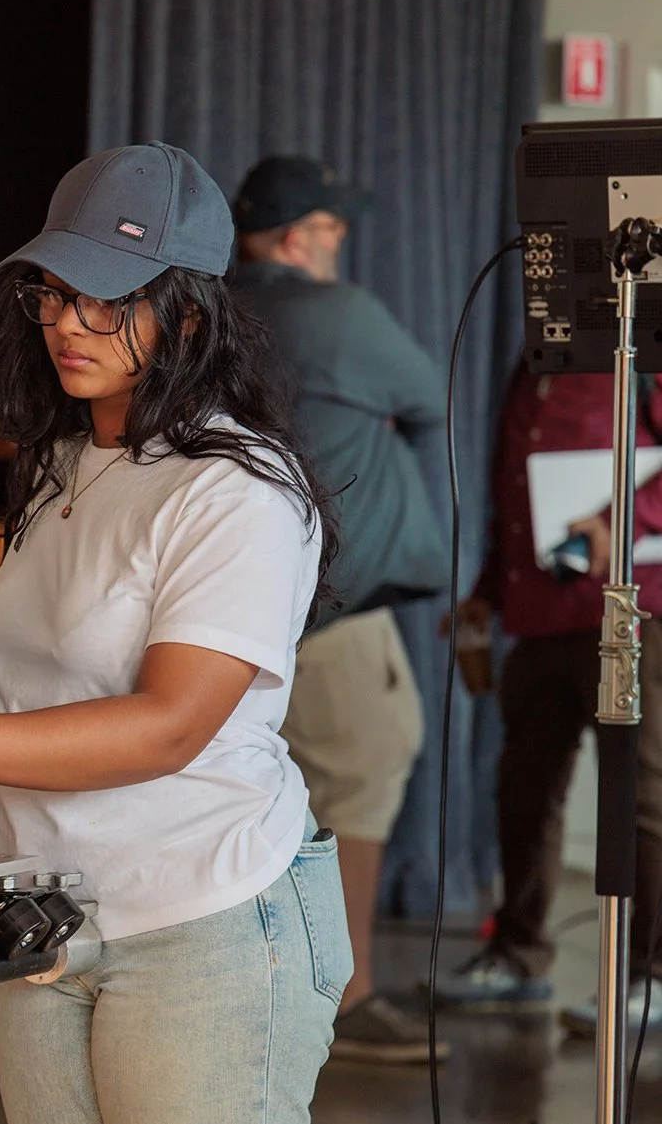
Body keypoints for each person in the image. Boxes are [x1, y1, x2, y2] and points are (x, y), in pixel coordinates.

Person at [0, 143, 350, 1123]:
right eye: (54, 293)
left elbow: (167, 726)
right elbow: (36, 684)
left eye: (104, 298)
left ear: (188, 310)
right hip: (47, 919)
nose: (67, 321)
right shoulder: (64, 462)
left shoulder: (235, 487)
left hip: (206, 922)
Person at [229, 155, 448, 1063]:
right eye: (332, 227)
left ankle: (274, 980)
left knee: (267, 793)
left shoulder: (218, 315)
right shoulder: (340, 315)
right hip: (339, 606)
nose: (341, 242)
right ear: (295, 237)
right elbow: (428, 395)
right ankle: (345, 997)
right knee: (364, 768)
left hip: (239, 606)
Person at [436, 366, 662, 1037]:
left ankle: (653, 976)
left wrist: (616, 521)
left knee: (641, 795)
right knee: (525, 791)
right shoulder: (531, 365)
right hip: (536, 619)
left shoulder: (642, 346)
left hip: (630, 612)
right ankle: (519, 955)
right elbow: (517, 495)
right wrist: (487, 590)